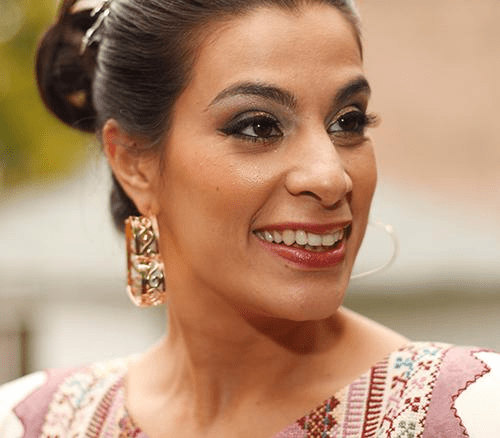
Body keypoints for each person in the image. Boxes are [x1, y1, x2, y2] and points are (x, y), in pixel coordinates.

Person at [1, 0, 499, 436]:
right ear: (134, 163)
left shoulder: (474, 412)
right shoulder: (32, 422)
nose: (331, 177)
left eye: (348, 121)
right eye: (259, 126)